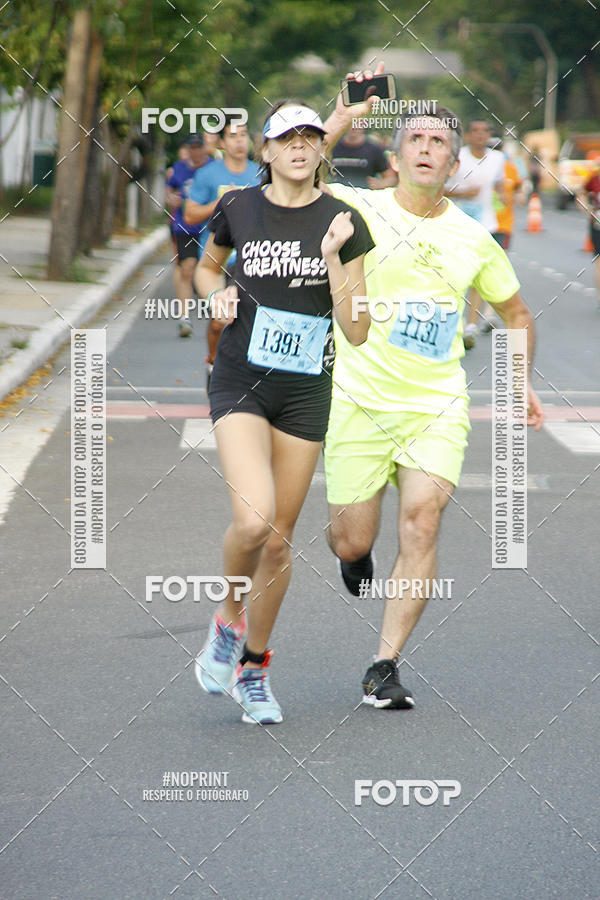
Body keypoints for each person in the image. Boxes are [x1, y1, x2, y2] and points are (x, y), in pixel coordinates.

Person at [321, 70, 544, 711]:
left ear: (453, 162)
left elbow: (518, 315)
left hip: (435, 405)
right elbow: (295, 171)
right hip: (359, 400)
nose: (425, 146)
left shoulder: (473, 238)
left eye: (438, 141)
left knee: (421, 523)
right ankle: (353, 557)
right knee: (353, 540)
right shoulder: (359, 206)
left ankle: (383, 666)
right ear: (396, 157)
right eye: (414, 136)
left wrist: (519, 382)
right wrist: (342, 113)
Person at [193, 100, 374, 725]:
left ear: (322, 148)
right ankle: (227, 619)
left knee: (276, 543)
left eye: (310, 136)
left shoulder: (344, 220)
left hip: (304, 390)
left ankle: (255, 667)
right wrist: (213, 295)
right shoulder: (238, 206)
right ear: (265, 150)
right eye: (285, 138)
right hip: (242, 379)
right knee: (253, 521)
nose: (298, 146)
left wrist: (331, 259)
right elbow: (206, 266)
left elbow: (356, 331)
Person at [184, 118, 261, 378]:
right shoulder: (208, 174)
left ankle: (248, 377)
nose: (239, 141)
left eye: (243, 135)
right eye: (232, 136)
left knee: (250, 322)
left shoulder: (261, 173)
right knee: (219, 321)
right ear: (222, 142)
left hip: (253, 259)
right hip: (217, 259)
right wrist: (220, 202)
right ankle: (213, 363)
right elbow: (190, 215)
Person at [445, 120, 506, 348]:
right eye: (475, 131)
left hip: (486, 224)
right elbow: (439, 187)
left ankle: (470, 326)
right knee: (455, 273)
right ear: (468, 136)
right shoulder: (457, 157)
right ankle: (457, 321)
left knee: (477, 274)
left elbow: (499, 183)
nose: (480, 135)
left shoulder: (497, 159)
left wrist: (503, 195)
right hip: (457, 222)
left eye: (485, 131)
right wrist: (464, 193)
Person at [165, 135, 213, 337]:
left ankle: (218, 313)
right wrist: (171, 199)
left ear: (204, 148)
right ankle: (184, 318)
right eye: (191, 148)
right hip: (185, 227)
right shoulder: (179, 168)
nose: (196, 151)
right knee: (187, 268)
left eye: (198, 147)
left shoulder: (214, 168)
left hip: (211, 228)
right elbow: (168, 192)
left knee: (214, 269)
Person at [331, 123, 394, 189]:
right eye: (351, 123)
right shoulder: (332, 148)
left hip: (363, 196)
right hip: (336, 195)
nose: (354, 127)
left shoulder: (374, 149)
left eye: (358, 123)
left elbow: (391, 178)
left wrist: (381, 184)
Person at [579, 167, 600, 302]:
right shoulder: (595, 178)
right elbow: (581, 194)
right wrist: (587, 209)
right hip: (597, 224)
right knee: (599, 260)